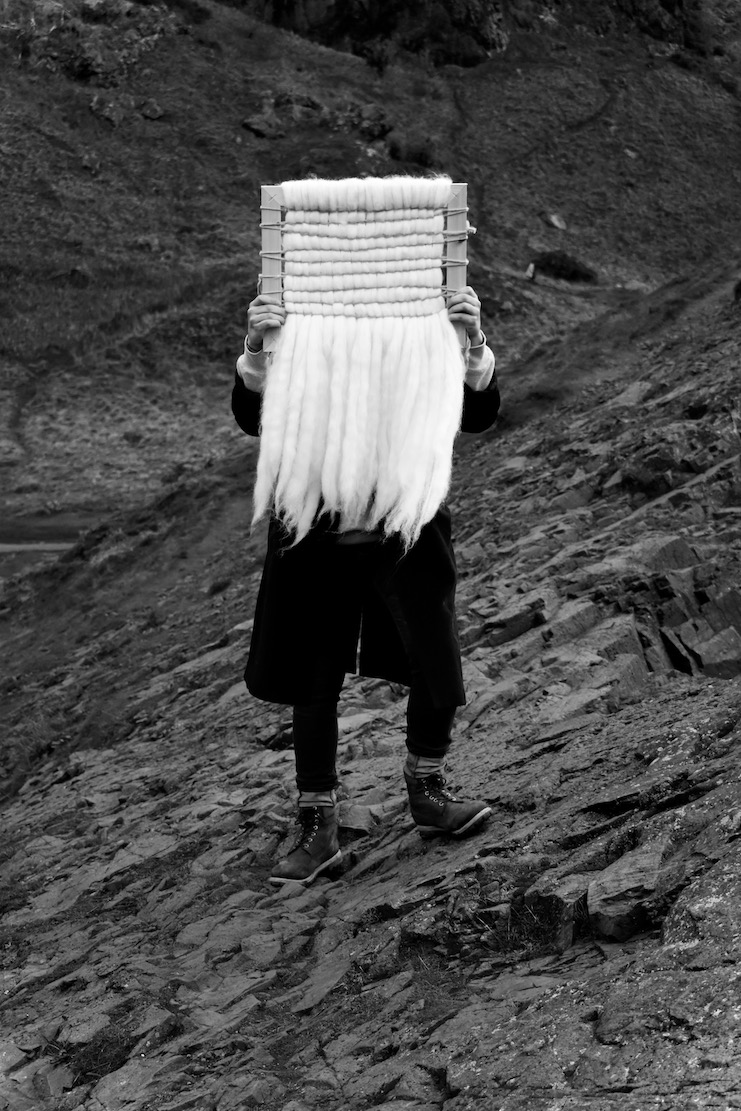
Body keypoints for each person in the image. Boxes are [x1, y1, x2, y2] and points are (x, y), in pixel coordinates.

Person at [231, 286, 501, 886]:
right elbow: (253, 419)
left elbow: (480, 414)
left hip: (405, 520)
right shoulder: (298, 326)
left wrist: (473, 338)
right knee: (313, 675)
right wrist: (256, 345)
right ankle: (317, 825)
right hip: (313, 527)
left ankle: (428, 794)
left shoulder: (423, 319)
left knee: (433, 655)